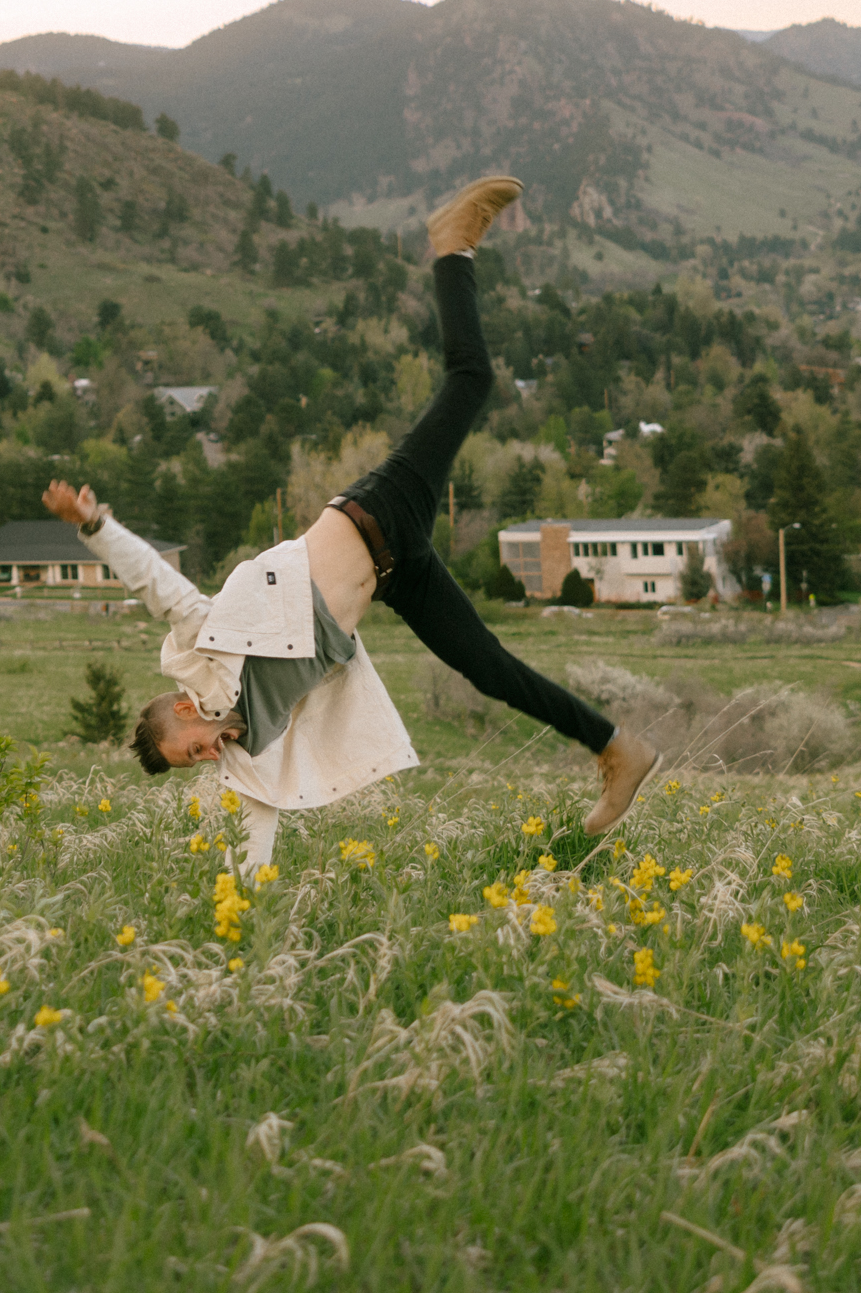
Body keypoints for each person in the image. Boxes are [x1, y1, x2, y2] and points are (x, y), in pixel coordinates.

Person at [43, 175, 658, 864]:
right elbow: (259, 817)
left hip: (375, 514)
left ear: (186, 710)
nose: (212, 756)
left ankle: (452, 247)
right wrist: (244, 901)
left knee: (471, 379)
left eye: (195, 749)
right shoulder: (252, 741)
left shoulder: (205, 654)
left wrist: (94, 527)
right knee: (489, 668)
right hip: (397, 570)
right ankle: (617, 749)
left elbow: (157, 585)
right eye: (199, 763)